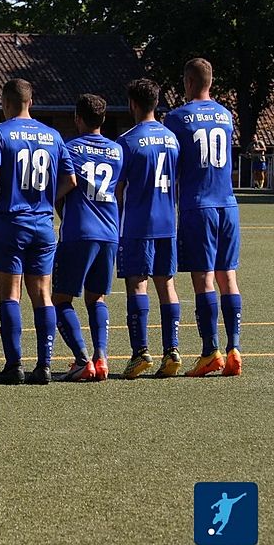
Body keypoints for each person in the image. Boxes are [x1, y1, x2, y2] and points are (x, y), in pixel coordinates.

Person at [0, 78, 76, 385]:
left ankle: (14, 366)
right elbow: (71, 180)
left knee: (10, 295)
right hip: (43, 226)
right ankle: (45, 365)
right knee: (43, 295)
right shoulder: (53, 136)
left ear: (6, 103)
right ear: (30, 102)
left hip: (11, 223)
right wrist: (48, 200)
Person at [164, 58, 243, 377]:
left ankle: (210, 350)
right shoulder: (226, 116)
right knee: (229, 277)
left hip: (199, 206)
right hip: (228, 204)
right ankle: (234, 346)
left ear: (189, 81)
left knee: (204, 278)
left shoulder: (177, 118)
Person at [52, 94, 123, 382]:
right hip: (109, 233)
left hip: (79, 232)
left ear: (78, 118)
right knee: (97, 298)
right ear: (103, 119)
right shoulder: (118, 151)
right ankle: (102, 358)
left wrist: (53, 206)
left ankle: (82, 359)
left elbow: (64, 185)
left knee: (59, 299)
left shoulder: (69, 149)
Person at [116, 78, 182, 379]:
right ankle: (173, 350)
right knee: (166, 285)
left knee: (137, 285)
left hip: (138, 224)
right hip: (168, 223)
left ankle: (141, 352)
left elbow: (117, 189)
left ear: (133, 104)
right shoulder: (172, 139)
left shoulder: (127, 141)